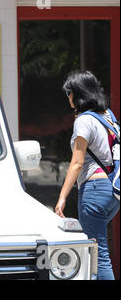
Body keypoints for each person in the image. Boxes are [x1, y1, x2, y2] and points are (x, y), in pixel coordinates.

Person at [55, 70, 120, 280]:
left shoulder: (83, 121)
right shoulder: (109, 116)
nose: (68, 98)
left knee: (97, 253)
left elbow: (77, 162)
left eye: (69, 93)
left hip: (94, 191)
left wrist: (62, 197)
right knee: (94, 251)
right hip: (113, 191)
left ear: (78, 93)